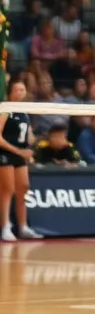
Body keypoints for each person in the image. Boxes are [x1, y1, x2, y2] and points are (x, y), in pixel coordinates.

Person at [0, 80, 40, 241]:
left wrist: (32, 145)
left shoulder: (24, 112)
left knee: (23, 188)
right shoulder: (5, 110)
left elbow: (29, 136)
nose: (21, 92)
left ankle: (23, 227)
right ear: (10, 92)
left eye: (23, 89)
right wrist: (19, 151)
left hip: (20, 154)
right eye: (17, 89)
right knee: (7, 189)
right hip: (5, 152)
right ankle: (5, 227)